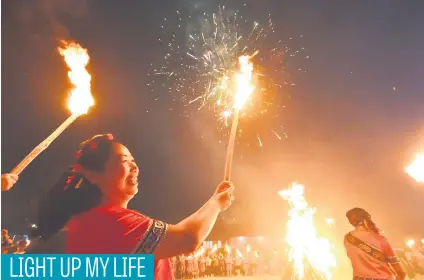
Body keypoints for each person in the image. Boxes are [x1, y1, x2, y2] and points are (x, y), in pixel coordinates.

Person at [31, 134, 234, 280]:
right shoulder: (109, 222)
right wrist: (216, 202)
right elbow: (189, 238)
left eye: (134, 161)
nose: (135, 167)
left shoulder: (86, 221)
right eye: (124, 161)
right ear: (92, 174)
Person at [344, 207, 406, 280]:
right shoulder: (380, 239)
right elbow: (400, 272)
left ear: (351, 222)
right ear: (367, 218)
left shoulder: (347, 239)